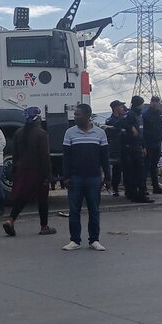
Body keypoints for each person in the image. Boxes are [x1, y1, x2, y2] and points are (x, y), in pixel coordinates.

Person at [60, 103, 112, 251]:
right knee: (74, 210)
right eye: (75, 114)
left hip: (94, 178)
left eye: (78, 114)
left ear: (87, 116)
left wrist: (107, 178)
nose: (75, 117)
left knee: (94, 209)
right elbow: (66, 158)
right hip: (75, 178)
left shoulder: (100, 133)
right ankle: (75, 240)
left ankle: (94, 240)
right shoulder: (69, 133)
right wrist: (66, 177)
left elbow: (104, 157)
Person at [3, 107, 56, 236]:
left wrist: (15, 170)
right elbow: (45, 156)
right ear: (38, 118)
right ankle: (44, 227)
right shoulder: (41, 134)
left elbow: (15, 155)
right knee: (42, 200)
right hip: (37, 172)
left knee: (22, 198)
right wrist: (48, 175)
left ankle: (10, 220)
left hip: (22, 171)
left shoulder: (18, 132)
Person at [121, 97, 153, 204]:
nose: (143, 106)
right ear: (138, 104)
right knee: (138, 172)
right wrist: (130, 128)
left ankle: (137, 194)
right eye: (142, 104)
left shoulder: (139, 115)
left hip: (138, 145)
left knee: (138, 172)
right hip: (132, 147)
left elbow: (141, 132)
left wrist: (143, 146)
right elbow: (122, 123)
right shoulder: (131, 114)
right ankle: (139, 195)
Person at [142, 95, 162, 195]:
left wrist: (160, 139)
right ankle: (143, 188)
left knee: (154, 166)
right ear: (150, 102)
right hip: (148, 142)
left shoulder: (160, 113)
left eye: (156, 101)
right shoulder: (145, 114)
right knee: (146, 166)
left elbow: (160, 127)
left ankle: (155, 187)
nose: (155, 103)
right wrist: (143, 145)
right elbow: (143, 131)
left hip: (157, 142)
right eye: (153, 101)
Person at [104, 100, 126, 197]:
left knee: (125, 169)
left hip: (125, 147)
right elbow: (112, 133)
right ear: (116, 108)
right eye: (121, 107)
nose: (123, 109)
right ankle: (114, 188)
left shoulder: (124, 119)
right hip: (115, 147)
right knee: (116, 169)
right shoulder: (110, 121)